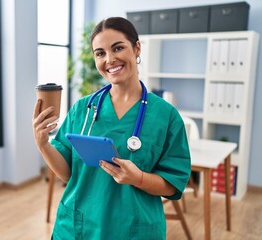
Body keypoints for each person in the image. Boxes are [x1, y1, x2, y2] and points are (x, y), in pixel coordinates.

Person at [32, 16, 191, 240]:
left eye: (118, 48)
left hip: (134, 229)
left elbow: (172, 184)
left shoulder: (166, 116)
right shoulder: (82, 109)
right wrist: (43, 144)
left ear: (137, 49)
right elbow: (68, 172)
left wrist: (139, 178)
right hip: (79, 227)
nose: (110, 59)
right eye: (100, 53)